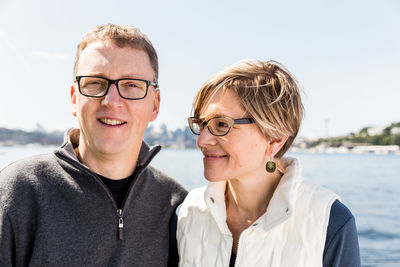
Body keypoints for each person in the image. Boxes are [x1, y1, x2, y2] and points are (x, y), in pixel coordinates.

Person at [0, 23, 187, 266]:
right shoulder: (18, 191)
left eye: (131, 85)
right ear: (74, 98)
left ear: (155, 105)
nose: (112, 100)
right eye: (96, 83)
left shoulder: (175, 205)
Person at [177, 59, 361, 266]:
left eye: (221, 124)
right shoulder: (189, 210)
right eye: (201, 124)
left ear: (274, 139)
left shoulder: (330, 221)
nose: (202, 140)